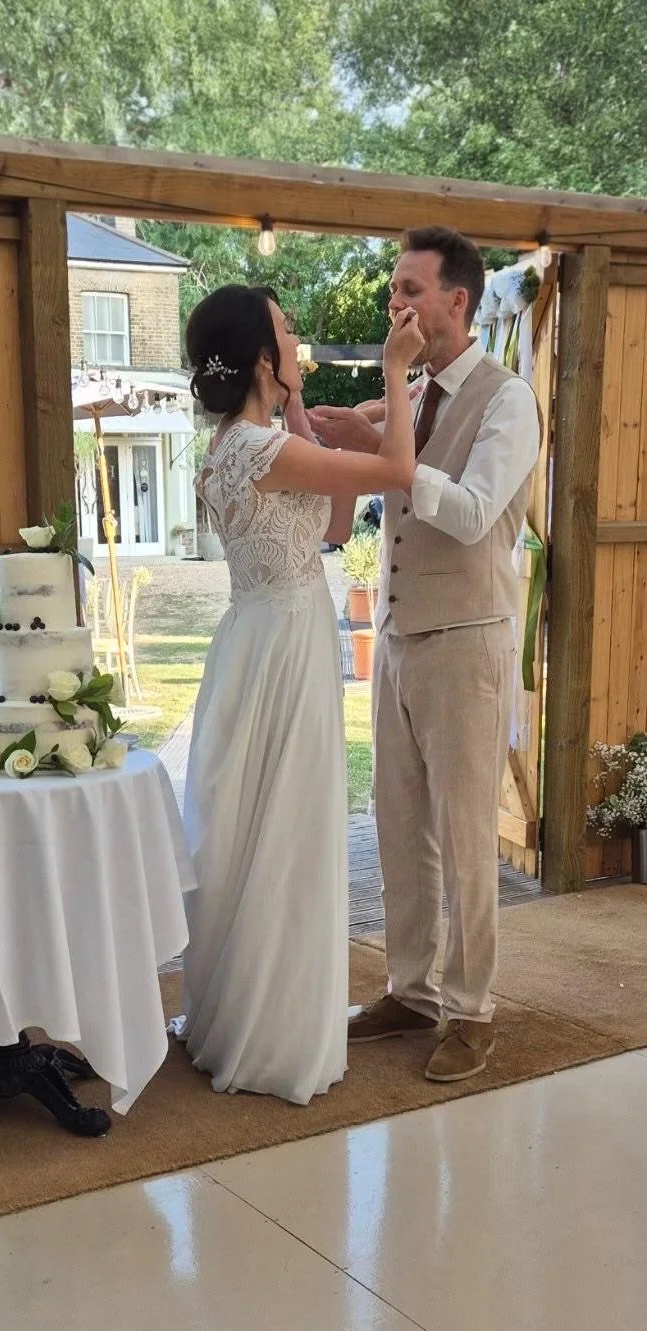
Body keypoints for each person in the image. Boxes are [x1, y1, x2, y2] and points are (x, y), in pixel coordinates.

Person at [169, 284, 424, 1103]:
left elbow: (338, 523)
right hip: (282, 642)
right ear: (257, 358)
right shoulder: (263, 451)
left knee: (260, 825)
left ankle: (244, 1008)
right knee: (284, 825)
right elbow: (395, 471)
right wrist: (393, 371)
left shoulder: (241, 445)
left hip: (260, 638)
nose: (298, 337)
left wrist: (303, 396)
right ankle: (273, 1031)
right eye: (286, 331)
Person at [308, 227, 541, 1084]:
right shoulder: (409, 395)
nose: (395, 305)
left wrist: (391, 445)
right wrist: (368, 430)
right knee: (399, 825)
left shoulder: (507, 400)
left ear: (458, 301)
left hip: (469, 640)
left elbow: (475, 510)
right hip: (402, 639)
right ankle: (411, 990)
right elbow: (390, 472)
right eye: (393, 290)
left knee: (464, 833)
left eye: (410, 289)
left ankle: (474, 1010)